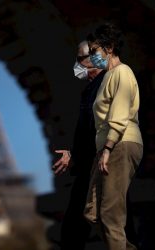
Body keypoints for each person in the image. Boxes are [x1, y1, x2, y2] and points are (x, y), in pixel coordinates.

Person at [83, 22, 143, 250]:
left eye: (94, 50)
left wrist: (107, 149)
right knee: (92, 211)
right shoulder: (107, 78)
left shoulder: (122, 72)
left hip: (119, 143)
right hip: (107, 148)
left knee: (110, 215)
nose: (91, 56)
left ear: (109, 48)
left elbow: (118, 114)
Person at [52, 41, 106, 250]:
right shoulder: (89, 90)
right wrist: (72, 153)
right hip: (88, 163)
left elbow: (99, 127)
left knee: (108, 222)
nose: (77, 65)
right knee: (79, 225)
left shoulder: (105, 85)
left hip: (99, 162)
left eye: (79, 59)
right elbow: (87, 130)